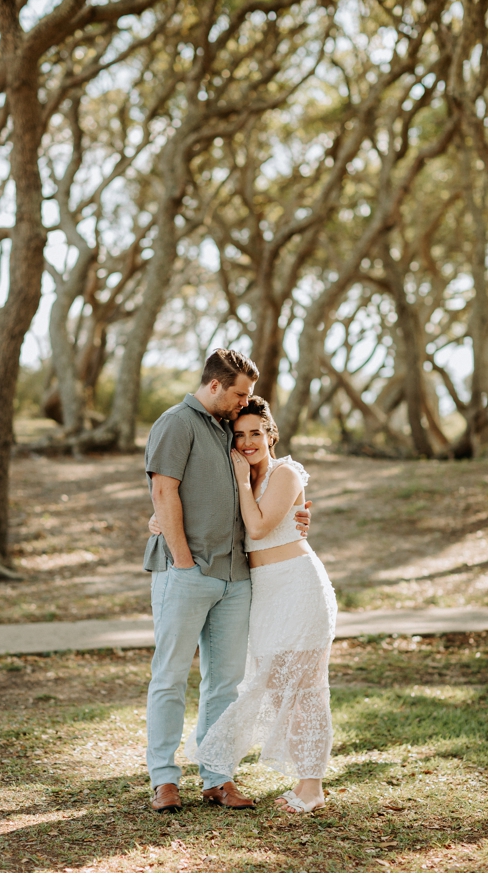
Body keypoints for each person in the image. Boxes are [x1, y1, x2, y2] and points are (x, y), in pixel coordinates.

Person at [142, 349, 309, 814]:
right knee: (171, 676)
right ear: (215, 386)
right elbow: (162, 490)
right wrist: (180, 560)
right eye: (239, 393)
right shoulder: (177, 422)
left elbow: (263, 489)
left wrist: (299, 513)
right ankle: (164, 779)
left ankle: (217, 776)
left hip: (237, 580)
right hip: (187, 572)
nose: (244, 402)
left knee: (225, 684)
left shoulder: (229, 429)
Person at [186, 396, 336, 814]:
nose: (248, 441)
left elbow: (258, 525)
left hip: (299, 586)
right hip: (265, 591)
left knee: (306, 689)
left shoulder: (286, 473)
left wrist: (239, 479)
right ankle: (301, 775)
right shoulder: (241, 477)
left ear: (271, 434)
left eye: (256, 432)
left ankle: (312, 786)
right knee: (275, 688)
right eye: (240, 435)